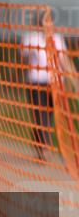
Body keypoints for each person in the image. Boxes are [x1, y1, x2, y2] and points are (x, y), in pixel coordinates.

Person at [19, 30, 73, 161]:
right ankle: (44, 147)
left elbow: (64, 60)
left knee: (49, 115)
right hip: (36, 82)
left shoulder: (57, 39)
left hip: (55, 84)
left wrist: (72, 79)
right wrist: (17, 77)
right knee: (40, 114)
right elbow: (23, 60)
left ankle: (40, 142)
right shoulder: (30, 37)